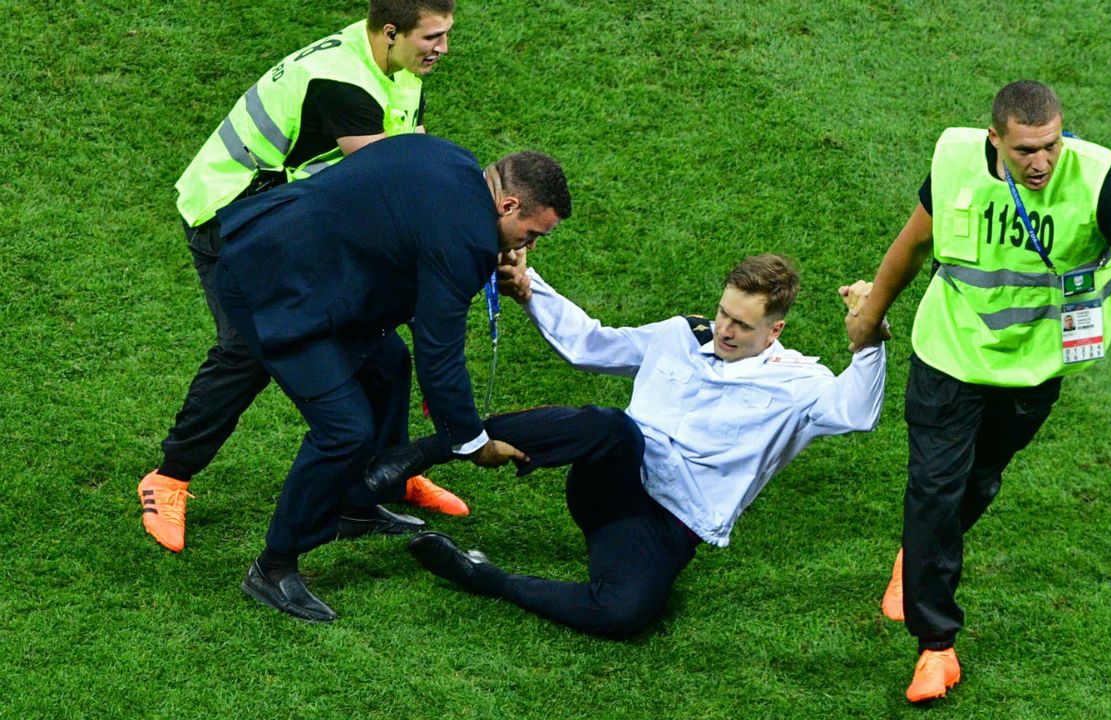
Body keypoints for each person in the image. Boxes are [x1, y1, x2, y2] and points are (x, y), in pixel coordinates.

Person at [844, 80, 1111, 702]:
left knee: (978, 480)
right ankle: (936, 647)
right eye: (1026, 150)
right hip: (948, 354)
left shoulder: (1098, 178)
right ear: (995, 139)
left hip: (1034, 370)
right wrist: (871, 315)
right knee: (934, 488)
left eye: (1051, 146)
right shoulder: (954, 158)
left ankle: (917, 556)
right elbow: (914, 241)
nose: (1041, 163)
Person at [373, 254, 887, 638]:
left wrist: (869, 341)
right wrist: (530, 289)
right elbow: (590, 345)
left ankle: (481, 575)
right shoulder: (683, 334)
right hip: (613, 480)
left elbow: (857, 413)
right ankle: (425, 452)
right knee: (611, 427)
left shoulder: (798, 384)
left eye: (742, 325)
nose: (725, 330)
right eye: (724, 313)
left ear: (775, 330)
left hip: (664, 525)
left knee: (624, 615)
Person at [138, 0, 468, 554]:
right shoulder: (342, 81)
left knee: (380, 350)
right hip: (229, 219)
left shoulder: (401, 70)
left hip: (288, 221)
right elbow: (388, 183)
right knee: (247, 352)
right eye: (432, 36)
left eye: (446, 35)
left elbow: (414, 172)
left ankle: (387, 471)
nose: (442, 48)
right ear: (391, 32)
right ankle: (168, 478)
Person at [216, 133, 572, 621]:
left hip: (298, 259)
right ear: (508, 204)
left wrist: (493, 257)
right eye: (530, 234)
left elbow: (412, 231)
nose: (527, 246)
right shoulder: (467, 236)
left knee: (389, 367)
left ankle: (357, 503)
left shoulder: (452, 160)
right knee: (344, 430)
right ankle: (274, 564)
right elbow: (439, 352)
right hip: (275, 289)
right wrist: (470, 442)